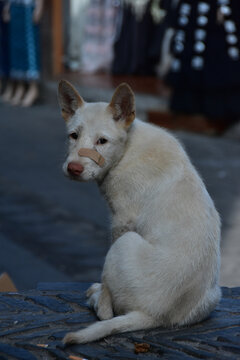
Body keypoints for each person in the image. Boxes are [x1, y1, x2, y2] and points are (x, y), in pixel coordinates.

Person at [2, 0, 43, 107]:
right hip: (15, 6)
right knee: (16, 48)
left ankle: (33, 88)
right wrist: (8, 6)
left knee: (29, 46)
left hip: (28, 7)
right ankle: (20, 86)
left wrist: (39, 6)